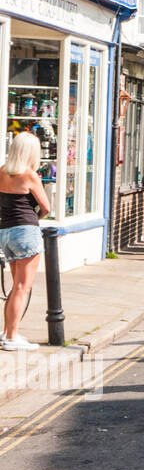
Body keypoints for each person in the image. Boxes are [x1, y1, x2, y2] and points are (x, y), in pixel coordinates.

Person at [0, 132, 51, 350]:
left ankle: (8, 333)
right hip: (25, 231)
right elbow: (47, 207)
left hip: (6, 231)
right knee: (22, 287)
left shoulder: (2, 171)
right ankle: (11, 338)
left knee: (16, 287)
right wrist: (34, 220)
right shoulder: (30, 175)